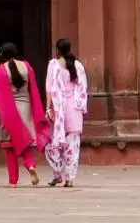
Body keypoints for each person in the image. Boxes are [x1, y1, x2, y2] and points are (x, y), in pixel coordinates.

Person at [0, 42, 49, 188]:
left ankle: (13, 181)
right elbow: (33, 89)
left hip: (9, 110)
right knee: (23, 141)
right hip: (25, 107)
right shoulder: (27, 67)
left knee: (10, 146)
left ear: (2, 55)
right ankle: (30, 165)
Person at [45, 39, 88, 188]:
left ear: (57, 49)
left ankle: (58, 174)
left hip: (60, 108)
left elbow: (49, 88)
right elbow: (83, 88)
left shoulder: (53, 65)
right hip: (74, 109)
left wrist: (48, 107)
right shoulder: (78, 65)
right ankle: (69, 178)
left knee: (54, 144)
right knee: (73, 146)